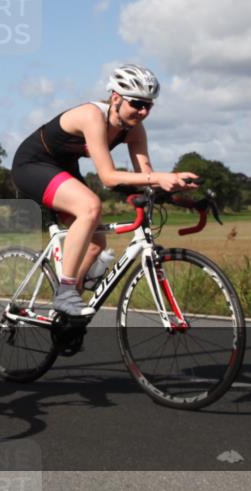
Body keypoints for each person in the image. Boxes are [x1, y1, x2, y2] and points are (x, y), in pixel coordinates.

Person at [11, 64, 198, 317]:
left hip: (63, 169)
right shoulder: (92, 116)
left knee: (96, 244)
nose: (143, 111)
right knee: (90, 206)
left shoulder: (134, 131)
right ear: (116, 98)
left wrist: (184, 197)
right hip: (32, 164)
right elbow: (108, 177)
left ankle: (65, 315)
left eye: (149, 105)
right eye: (137, 104)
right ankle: (65, 291)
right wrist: (161, 177)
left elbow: (146, 177)